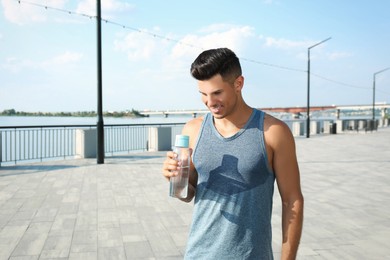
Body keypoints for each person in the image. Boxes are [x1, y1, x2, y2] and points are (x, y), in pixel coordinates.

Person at [162, 48, 304, 260]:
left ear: (238, 84)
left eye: (217, 93)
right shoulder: (193, 130)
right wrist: (174, 179)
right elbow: (188, 194)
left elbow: (292, 200)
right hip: (198, 254)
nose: (210, 102)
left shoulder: (273, 132)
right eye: (203, 94)